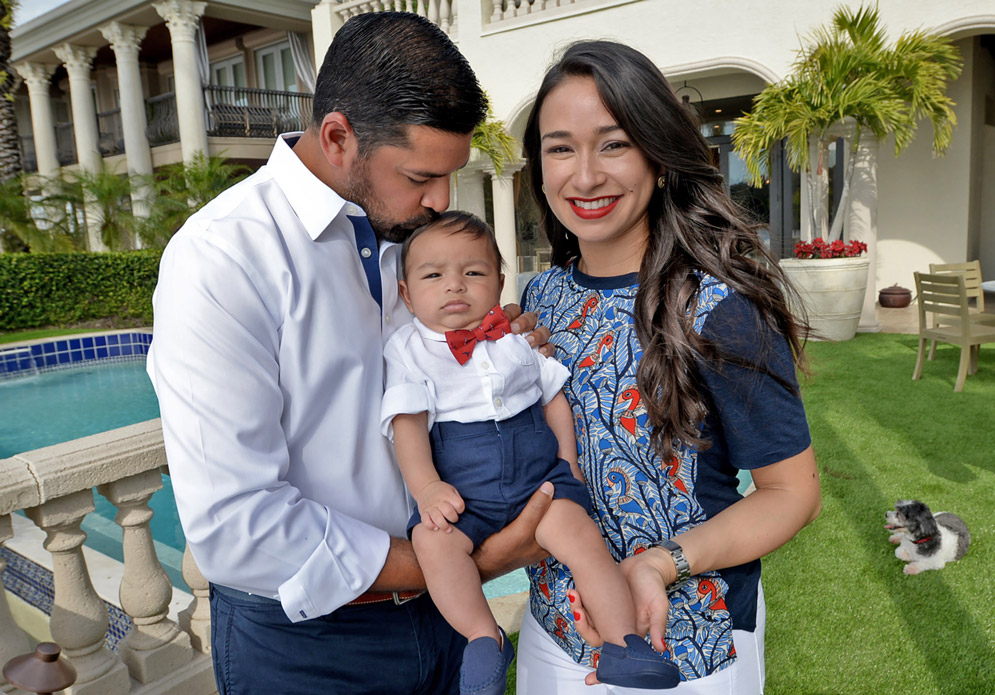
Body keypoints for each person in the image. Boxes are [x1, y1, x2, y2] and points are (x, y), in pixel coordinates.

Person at [146, 13, 555, 695]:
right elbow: (236, 526)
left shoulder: (416, 239)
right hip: (307, 649)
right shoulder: (221, 258)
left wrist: (501, 356)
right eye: (421, 175)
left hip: (447, 623)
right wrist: (466, 563)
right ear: (338, 137)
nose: (441, 200)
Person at [515, 41, 823, 694]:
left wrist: (664, 562)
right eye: (560, 147)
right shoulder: (538, 300)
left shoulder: (719, 309)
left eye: (614, 144)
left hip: (689, 642)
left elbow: (791, 493)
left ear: (658, 155)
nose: (586, 175)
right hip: (559, 629)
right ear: (537, 166)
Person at [381, 211, 681, 694]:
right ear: (406, 293)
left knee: (586, 544)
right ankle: (484, 639)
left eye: (472, 273)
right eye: (433, 275)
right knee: (436, 545)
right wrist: (427, 488)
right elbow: (408, 426)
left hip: (538, 477)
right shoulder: (408, 350)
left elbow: (554, 398)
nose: (454, 286)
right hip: (463, 494)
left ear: (500, 282)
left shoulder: (517, 338)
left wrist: (568, 465)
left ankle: (623, 645)